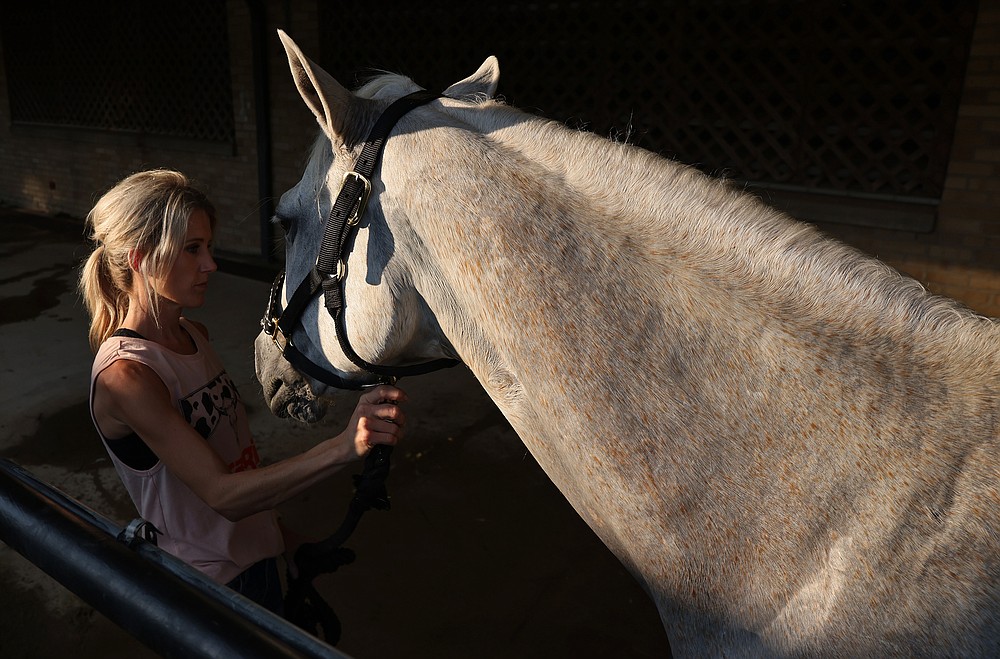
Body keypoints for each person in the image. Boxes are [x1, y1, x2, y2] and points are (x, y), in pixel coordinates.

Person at [79, 169, 406, 614]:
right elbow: (222, 494)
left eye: (208, 247)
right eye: (192, 249)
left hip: (257, 564)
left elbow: (235, 460)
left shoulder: (193, 334)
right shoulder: (127, 376)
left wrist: (284, 543)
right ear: (140, 258)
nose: (210, 264)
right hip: (212, 587)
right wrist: (343, 447)